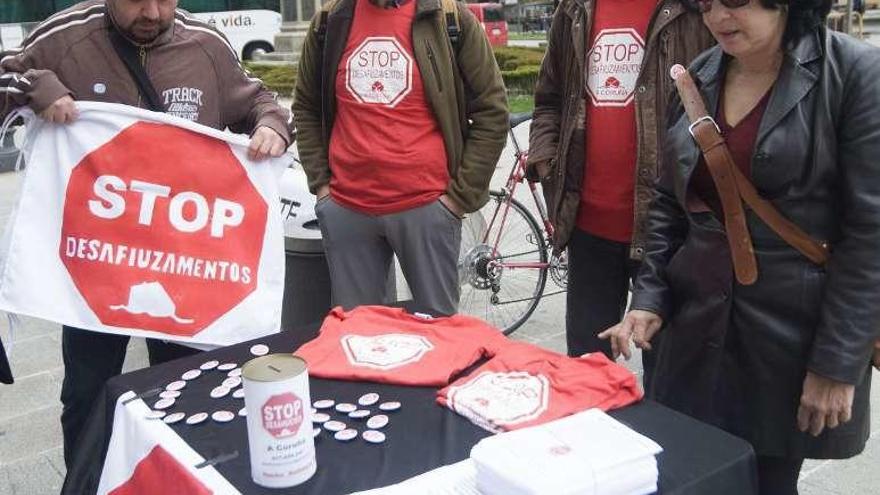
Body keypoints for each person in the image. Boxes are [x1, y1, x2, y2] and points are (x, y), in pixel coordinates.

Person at [600, 1, 880, 493]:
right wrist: (649, 299)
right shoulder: (697, 78)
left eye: (733, 1)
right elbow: (669, 202)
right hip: (694, 330)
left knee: (767, 482)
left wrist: (836, 364)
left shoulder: (857, 75)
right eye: (705, 4)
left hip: (791, 340)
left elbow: (870, 235)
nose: (716, 17)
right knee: (691, 474)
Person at [0, 0, 291, 468]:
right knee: (87, 393)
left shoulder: (206, 45)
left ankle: (174, 477)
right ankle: (86, 479)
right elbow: (6, 77)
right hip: (96, 267)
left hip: (184, 263)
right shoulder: (65, 36)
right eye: (138, 0)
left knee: (183, 388)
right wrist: (34, 86)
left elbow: (260, 101)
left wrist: (273, 126)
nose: (153, 12)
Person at [525, 0, 715, 383]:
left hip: (674, 232)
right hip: (589, 229)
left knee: (672, 379)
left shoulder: (698, 9)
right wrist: (548, 161)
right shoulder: (575, 8)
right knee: (586, 374)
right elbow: (549, 99)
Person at [293, 0, 508, 317]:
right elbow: (306, 107)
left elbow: (492, 112)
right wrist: (322, 186)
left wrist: (458, 198)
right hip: (347, 209)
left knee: (437, 334)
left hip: (428, 208)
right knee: (358, 337)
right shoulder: (330, 20)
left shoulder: (448, 17)